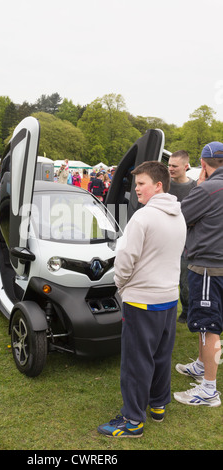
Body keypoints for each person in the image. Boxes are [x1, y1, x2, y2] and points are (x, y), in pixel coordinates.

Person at [97, 161, 186, 438]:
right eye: (136, 184)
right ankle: (158, 404)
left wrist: (121, 285)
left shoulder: (143, 217)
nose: (136, 190)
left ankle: (133, 419)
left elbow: (125, 260)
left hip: (143, 300)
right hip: (169, 298)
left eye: (141, 184)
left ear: (158, 185)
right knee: (160, 354)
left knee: (137, 361)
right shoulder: (178, 214)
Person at [174, 142, 223, 408]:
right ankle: (201, 365)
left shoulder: (206, 189)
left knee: (208, 326)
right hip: (216, 264)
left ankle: (208, 390)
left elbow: (180, 218)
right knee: (211, 323)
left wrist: (200, 184)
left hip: (208, 265)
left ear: (202, 164)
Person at [168, 150, 197, 323]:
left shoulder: (195, 187)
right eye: (169, 165)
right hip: (167, 240)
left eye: (174, 166)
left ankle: (187, 311)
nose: (170, 168)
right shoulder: (164, 185)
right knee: (169, 279)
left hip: (188, 242)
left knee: (186, 281)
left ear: (186, 166)